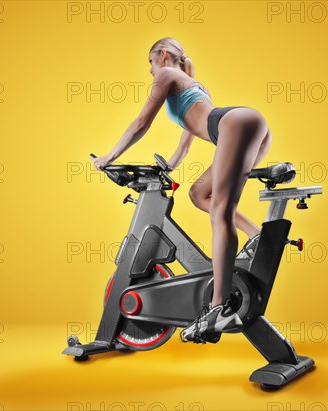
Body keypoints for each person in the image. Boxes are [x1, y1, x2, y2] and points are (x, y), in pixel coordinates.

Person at [92, 37, 272, 343]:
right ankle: (257, 235)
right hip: (245, 126)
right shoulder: (194, 83)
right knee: (200, 194)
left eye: (150, 63)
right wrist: (170, 165)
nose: (150, 72)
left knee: (220, 212)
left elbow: (141, 123)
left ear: (162, 55)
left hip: (235, 124)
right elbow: (189, 137)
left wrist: (109, 157)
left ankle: (218, 307)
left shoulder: (167, 75)